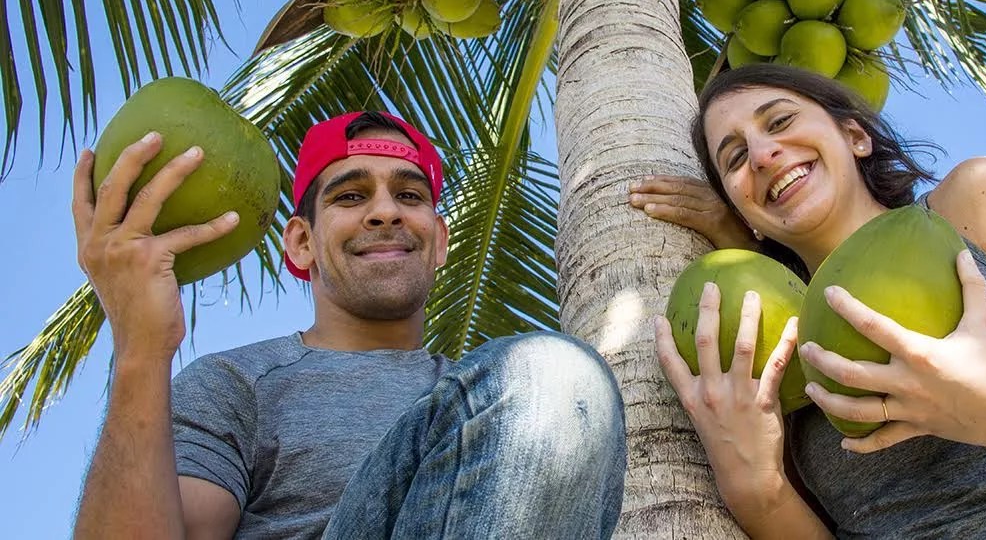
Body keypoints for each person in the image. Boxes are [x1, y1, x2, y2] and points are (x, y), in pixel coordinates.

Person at [628, 63, 986, 539]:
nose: (761, 154)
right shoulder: (775, 352)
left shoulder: (977, 203)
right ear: (742, 209)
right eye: (733, 158)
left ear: (855, 135)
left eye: (780, 121)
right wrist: (757, 491)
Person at [71, 110, 626, 540]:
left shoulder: (506, 411)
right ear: (301, 242)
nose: (385, 212)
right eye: (351, 195)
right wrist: (141, 349)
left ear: (439, 241)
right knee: (557, 376)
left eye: (409, 195)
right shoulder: (239, 384)